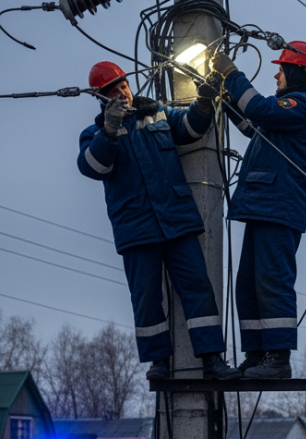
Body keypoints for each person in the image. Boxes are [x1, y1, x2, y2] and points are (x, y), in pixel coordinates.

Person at [76, 61, 240, 381]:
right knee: (147, 296)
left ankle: (212, 360)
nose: (122, 92)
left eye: (123, 85)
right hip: (137, 229)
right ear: (101, 98)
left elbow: (191, 128)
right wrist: (109, 131)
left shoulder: (156, 113)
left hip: (175, 219)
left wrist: (204, 102)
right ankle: (159, 362)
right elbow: (93, 167)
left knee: (197, 288)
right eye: (113, 91)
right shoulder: (95, 133)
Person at [210, 42, 306, 379]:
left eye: (281, 69)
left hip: (281, 205)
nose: (276, 74)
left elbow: (259, 110)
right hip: (265, 204)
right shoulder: (284, 113)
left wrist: (231, 74)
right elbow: (253, 124)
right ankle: (257, 355)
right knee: (248, 283)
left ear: (295, 72)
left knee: (272, 281)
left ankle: (278, 359)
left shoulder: (305, 104)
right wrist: (224, 96)